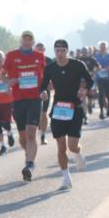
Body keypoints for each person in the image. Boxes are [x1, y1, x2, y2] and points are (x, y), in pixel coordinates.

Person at [40, 39, 93, 190]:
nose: (60, 54)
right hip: (58, 109)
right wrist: (42, 93)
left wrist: (84, 90)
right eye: (57, 51)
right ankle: (66, 178)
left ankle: (77, 154)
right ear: (54, 51)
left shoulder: (78, 65)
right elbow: (42, 86)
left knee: (72, 146)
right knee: (61, 146)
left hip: (75, 108)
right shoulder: (50, 68)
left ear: (67, 51)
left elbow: (90, 81)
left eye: (63, 51)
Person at [3, 30, 46, 181]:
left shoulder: (39, 56)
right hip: (18, 99)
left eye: (29, 39)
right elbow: (3, 75)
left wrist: (44, 90)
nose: (27, 42)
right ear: (21, 40)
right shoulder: (11, 56)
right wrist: (9, 81)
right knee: (22, 137)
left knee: (31, 133)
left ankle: (29, 165)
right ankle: (29, 154)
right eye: (24, 39)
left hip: (35, 99)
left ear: (33, 42)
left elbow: (45, 76)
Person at [93, 41, 109, 118]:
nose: (102, 48)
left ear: (106, 48)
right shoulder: (96, 57)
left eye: (104, 47)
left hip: (108, 79)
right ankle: (101, 112)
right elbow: (92, 67)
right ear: (99, 48)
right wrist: (96, 69)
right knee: (101, 94)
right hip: (99, 79)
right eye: (101, 47)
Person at [35, 43, 51, 144]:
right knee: (36, 113)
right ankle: (37, 125)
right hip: (33, 89)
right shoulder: (31, 59)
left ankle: (43, 136)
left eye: (41, 49)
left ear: (44, 49)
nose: (40, 51)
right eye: (38, 49)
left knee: (44, 113)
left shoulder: (48, 60)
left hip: (45, 89)